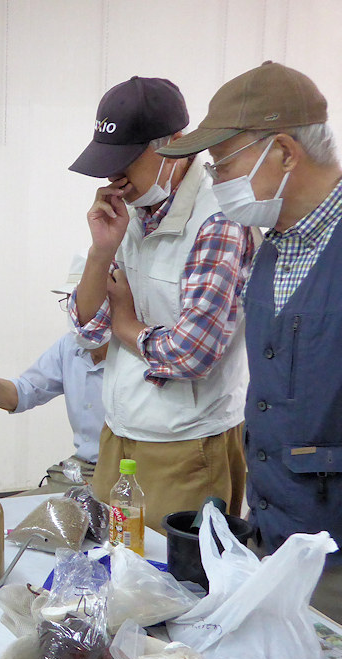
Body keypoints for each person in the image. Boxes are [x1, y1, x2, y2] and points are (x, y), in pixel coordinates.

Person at [158, 61, 342, 622]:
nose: (216, 181)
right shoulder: (271, 248)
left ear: (284, 152)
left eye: (223, 163)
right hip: (273, 537)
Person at [67, 76, 256, 533]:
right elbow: (88, 329)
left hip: (187, 446)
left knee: (174, 574)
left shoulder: (218, 222)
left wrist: (126, 323)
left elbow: (191, 354)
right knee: (112, 562)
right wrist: (100, 252)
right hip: (120, 435)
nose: (114, 178)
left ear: (175, 145)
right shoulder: (129, 214)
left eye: (126, 161)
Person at [0, 252, 107, 494]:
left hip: (123, 473)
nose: (75, 312)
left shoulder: (134, 353)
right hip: (80, 471)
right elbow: (24, 392)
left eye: (80, 301)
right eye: (70, 301)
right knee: (12, 510)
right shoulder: (69, 346)